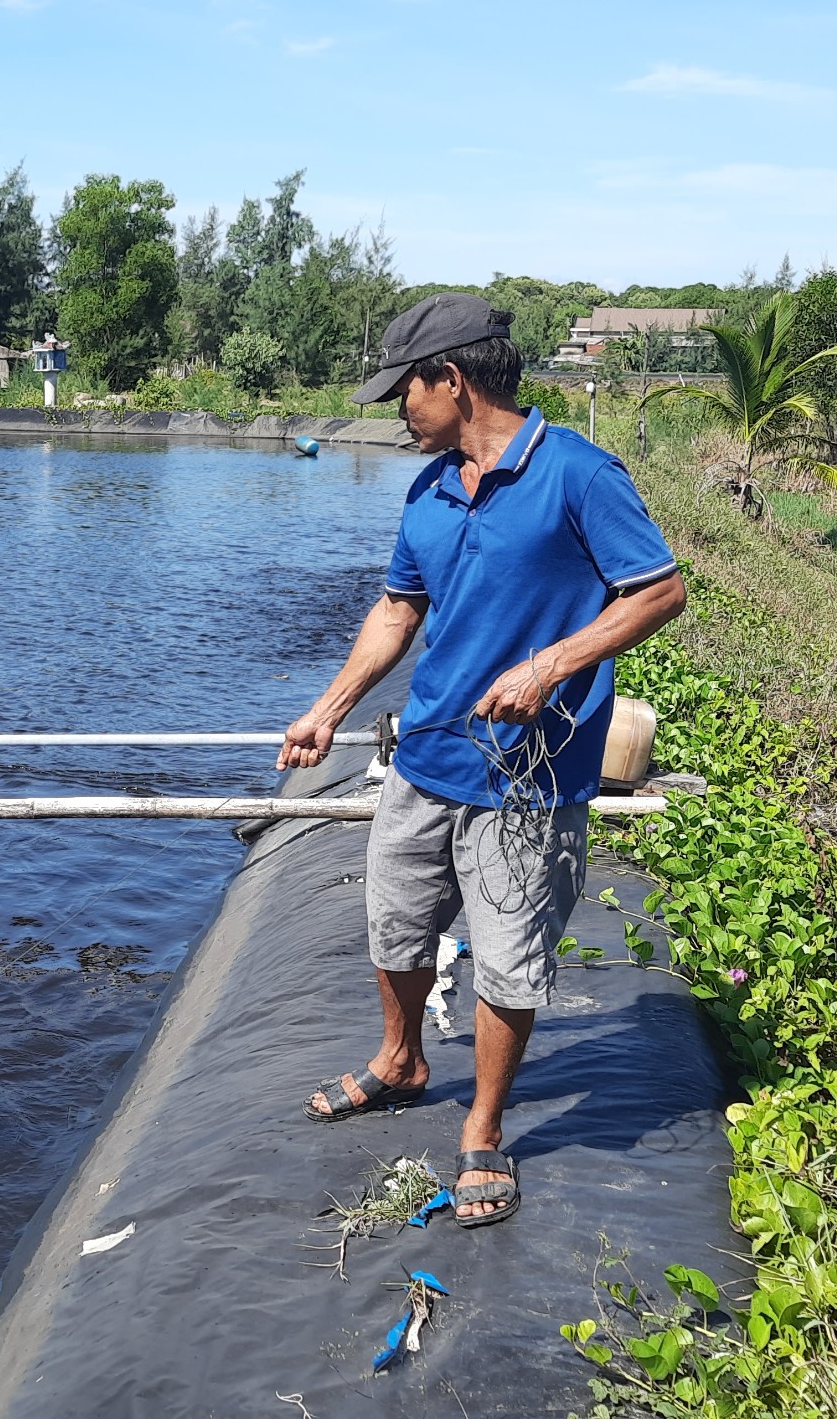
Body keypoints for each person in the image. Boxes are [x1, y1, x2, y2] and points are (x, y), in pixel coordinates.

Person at [279, 292, 686, 1226]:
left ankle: (485, 1128)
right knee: (395, 925)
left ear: (451, 381)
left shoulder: (578, 476)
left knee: (507, 959)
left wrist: (552, 663)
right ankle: (401, 1059)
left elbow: (658, 591)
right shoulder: (428, 490)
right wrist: (328, 709)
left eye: (404, 394)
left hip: (525, 776)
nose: (397, 413)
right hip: (426, 758)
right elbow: (397, 610)